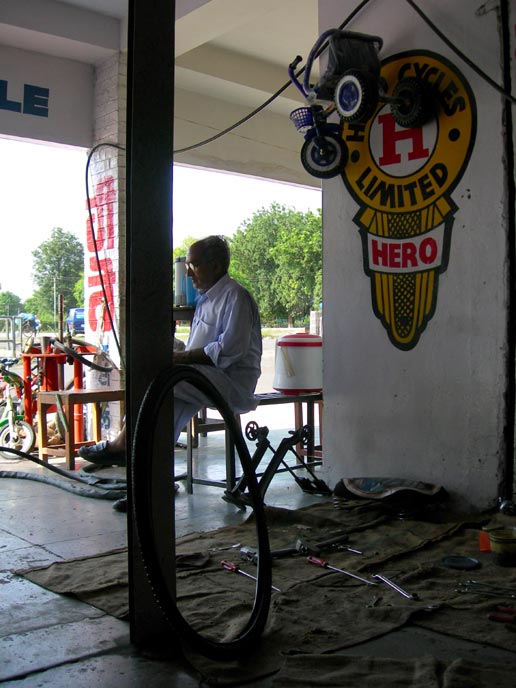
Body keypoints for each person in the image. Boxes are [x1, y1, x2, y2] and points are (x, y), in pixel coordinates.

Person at [78, 235, 263, 507]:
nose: (188, 273)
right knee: (163, 403)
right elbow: (199, 347)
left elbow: (229, 350)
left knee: (163, 377)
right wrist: (173, 352)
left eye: (194, 265)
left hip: (231, 383)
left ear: (215, 265)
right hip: (203, 377)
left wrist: (180, 358)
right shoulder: (206, 300)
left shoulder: (235, 296)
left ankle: (123, 446)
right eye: (188, 265)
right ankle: (152, 485)